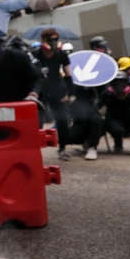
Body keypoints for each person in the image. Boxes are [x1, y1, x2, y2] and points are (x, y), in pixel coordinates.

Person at [33, 28, 72, 160]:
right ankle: (35, 150)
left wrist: (70, 93)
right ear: (44, 41)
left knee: (62, 119)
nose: (54, 42)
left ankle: (62, 149)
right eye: (51, 40)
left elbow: (68, 75)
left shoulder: (61, 54)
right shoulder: (36, 54)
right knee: (37, 120)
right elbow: (31, 74)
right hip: (41, 90)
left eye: (56, 39)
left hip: (57, 88)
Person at [100, 71, 130, 154]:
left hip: (129, 121)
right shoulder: (107, 94)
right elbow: (97, 107)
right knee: (117, 130)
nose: (119, 85)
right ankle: (118, 143)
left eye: (121, 81)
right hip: (114, 120)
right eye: (116, 82)